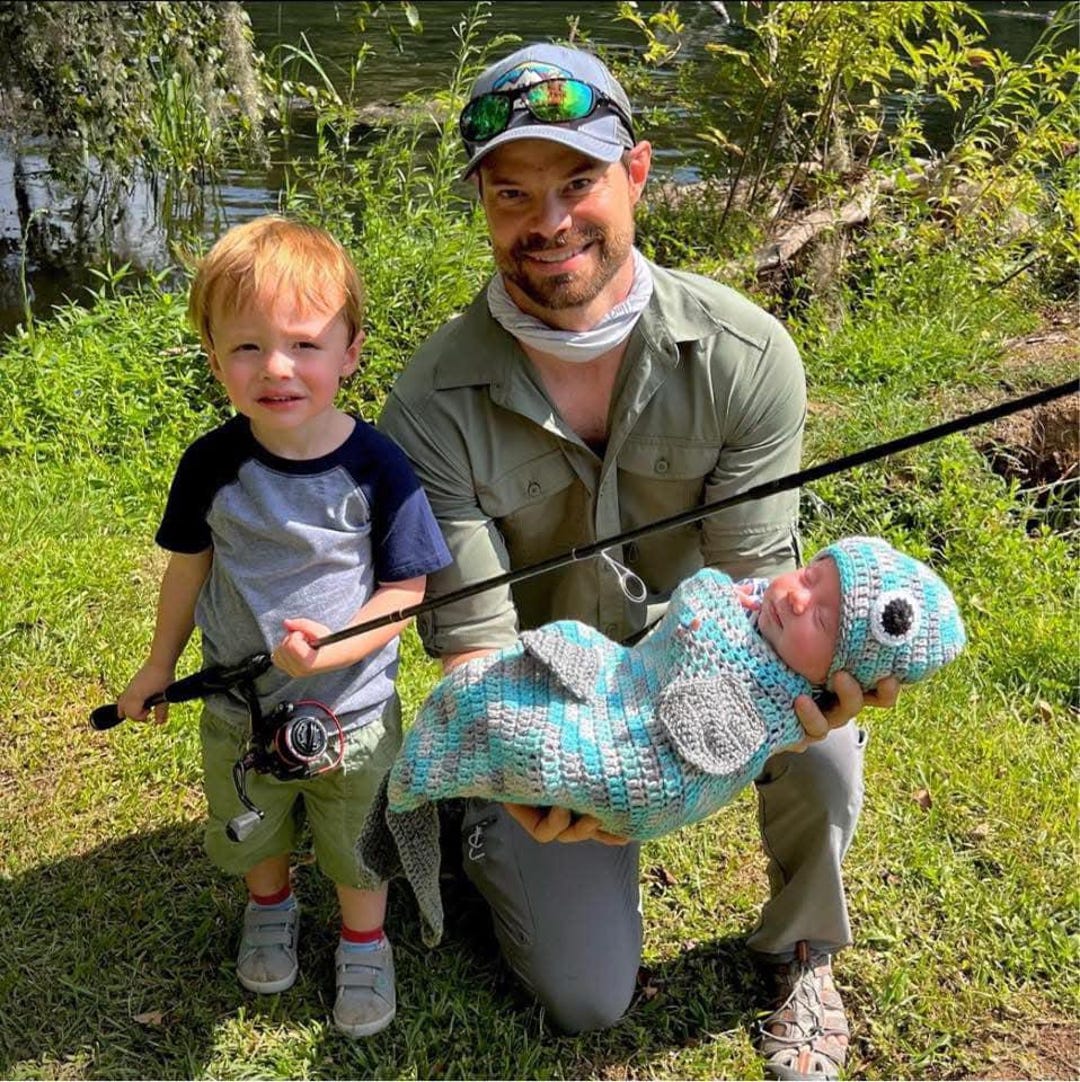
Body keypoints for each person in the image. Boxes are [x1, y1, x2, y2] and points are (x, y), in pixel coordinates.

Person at [378, 42, 899, 1079]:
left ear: (639, 173)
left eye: (579, 182)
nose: (549, 221)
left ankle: (804, 949)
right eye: (513, 193)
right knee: (586, 998)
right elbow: (476, 651)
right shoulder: (426, 407)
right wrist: (536, 772)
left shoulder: (750, 357)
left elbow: (761, 598)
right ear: (483, 202)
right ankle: (484, 828)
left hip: (705, 670)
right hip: (544, 706)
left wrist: (756, 715)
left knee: (827, 734)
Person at [113, 216, 451, 1038]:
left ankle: (364, 942)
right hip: (239, 710)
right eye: (247, 347)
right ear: (213, 358)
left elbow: (406, 590)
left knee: (357, 838)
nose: (276, 368)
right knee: (252, 823)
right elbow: (189, 569)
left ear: (350, 352)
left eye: (304, 345)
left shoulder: (378, 467)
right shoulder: (210, 464)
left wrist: (335, 646)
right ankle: (271, 905)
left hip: (354, 714)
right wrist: (157, 665)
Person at [361, 536, 964, 946]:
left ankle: (803, 947)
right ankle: (457, 780)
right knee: (501, 690)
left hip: (646, 759)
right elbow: (685, 623)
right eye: (808, 576)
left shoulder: (781, 697)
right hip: (622, 678)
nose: (796, 596)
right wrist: (727, 599)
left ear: (840, 672)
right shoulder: (759, 612)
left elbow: (701, 644)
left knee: (585, 998)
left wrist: (715, 602)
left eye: (824, 619)